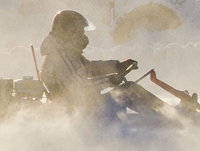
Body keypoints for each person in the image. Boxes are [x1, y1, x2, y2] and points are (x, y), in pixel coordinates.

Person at [39, 10, 167, 122]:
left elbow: (89, 68)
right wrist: (110, 80)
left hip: (84, 106)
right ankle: (167, 117)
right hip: (82, 113)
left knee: (128, 88)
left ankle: (163, 114)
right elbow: (79, 88)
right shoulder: (61, 57)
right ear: (68, 33)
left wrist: (117, 66)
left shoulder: (67, 53)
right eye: (79, 32)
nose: (83, 36)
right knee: (129, 89)